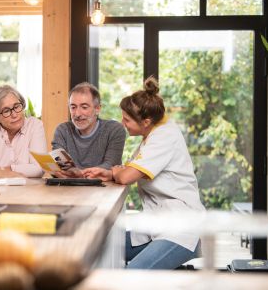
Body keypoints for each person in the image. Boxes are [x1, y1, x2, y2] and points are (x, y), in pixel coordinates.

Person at [83, 76, 205, 270]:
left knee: (131, 278)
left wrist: (117, 172)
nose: (123, 123)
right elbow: (126, 171)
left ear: (146, 121)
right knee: (96, 247)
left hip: (180, 230)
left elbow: (126, 176)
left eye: (127, 120)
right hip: (158, 224)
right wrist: (110, 173)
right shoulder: (152, 135)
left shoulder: (164, 137)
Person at [51, 82, 126, 178]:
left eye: (84, 107)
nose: (77, 113)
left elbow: (110, 166)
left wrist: (78, 174)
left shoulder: (114, 130)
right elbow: (60, 166)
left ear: (97, 109)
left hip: (104, 189)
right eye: (73, 107)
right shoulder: (62, 130)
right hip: (69, 188)